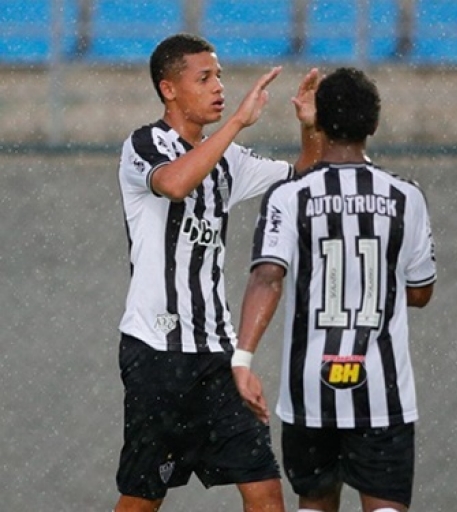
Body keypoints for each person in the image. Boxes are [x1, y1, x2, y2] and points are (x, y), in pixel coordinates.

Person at [115, 33, 322, 511]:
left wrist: (309, 128)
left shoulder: (227, 159)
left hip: (217, 357)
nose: (218, 87)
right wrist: (237, 124)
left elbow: (303, 180)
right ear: (169, 89)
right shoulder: (145, 144)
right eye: (204, 77)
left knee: (267, 495)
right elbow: (174, 182)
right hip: (156, 353)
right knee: (141, 500)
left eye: (220, 77)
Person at [230, 67, 436, 512]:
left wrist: (243, 357)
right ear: (374, 124)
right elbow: (421, 291)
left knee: (315, 502)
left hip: (310, 393)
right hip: (383, 395)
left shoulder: (291, 196)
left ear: (320, 124)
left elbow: (267, 276)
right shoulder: (406, 197)